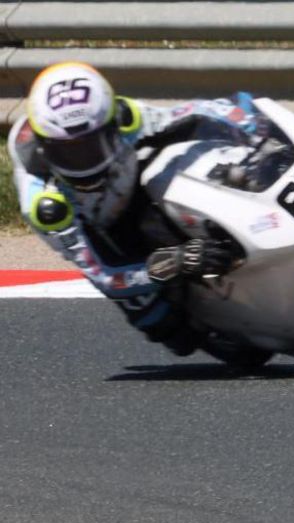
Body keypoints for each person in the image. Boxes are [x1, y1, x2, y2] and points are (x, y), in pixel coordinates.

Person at [7, 61, 263, 355]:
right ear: (44, 146)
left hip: (129, 181)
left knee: (198, 147)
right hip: (100, 231)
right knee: (171, 331)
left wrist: (258, 126)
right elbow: (104, 273)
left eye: (91, 146)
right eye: (66, 152)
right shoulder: (46, 205)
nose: (82, 163)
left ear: (111, 124)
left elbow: (196, 113)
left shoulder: (127, 116)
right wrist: (173, 262)